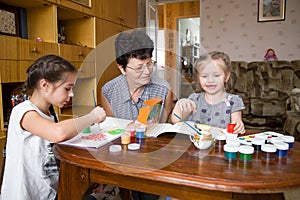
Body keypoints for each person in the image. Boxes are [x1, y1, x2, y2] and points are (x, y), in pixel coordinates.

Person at [1, 55, 106, 200]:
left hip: (48, 193)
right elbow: (58, 133)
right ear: (45, 85)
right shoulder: (23, 111)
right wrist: (93, 116)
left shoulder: (51, 115)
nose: (72, 94)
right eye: (67, 88)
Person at [101, 30, 173, 200]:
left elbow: (164, 133)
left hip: (152, 159)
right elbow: (111, 130)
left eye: (150, 64)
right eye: (139, 67)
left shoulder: (164, 90)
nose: (147, 71)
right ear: (122, 68)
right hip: (121, 157)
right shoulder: (108, 90)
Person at [171, 51, 245, 134]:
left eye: (216, 75)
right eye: (204, 76)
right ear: (199, 78)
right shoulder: (194, 99)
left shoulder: (234, 100)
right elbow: (176, 121)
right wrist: (180, 104)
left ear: (226, 77)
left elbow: (236, 122)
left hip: (222, 144)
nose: (210, 80)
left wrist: (238, 126)